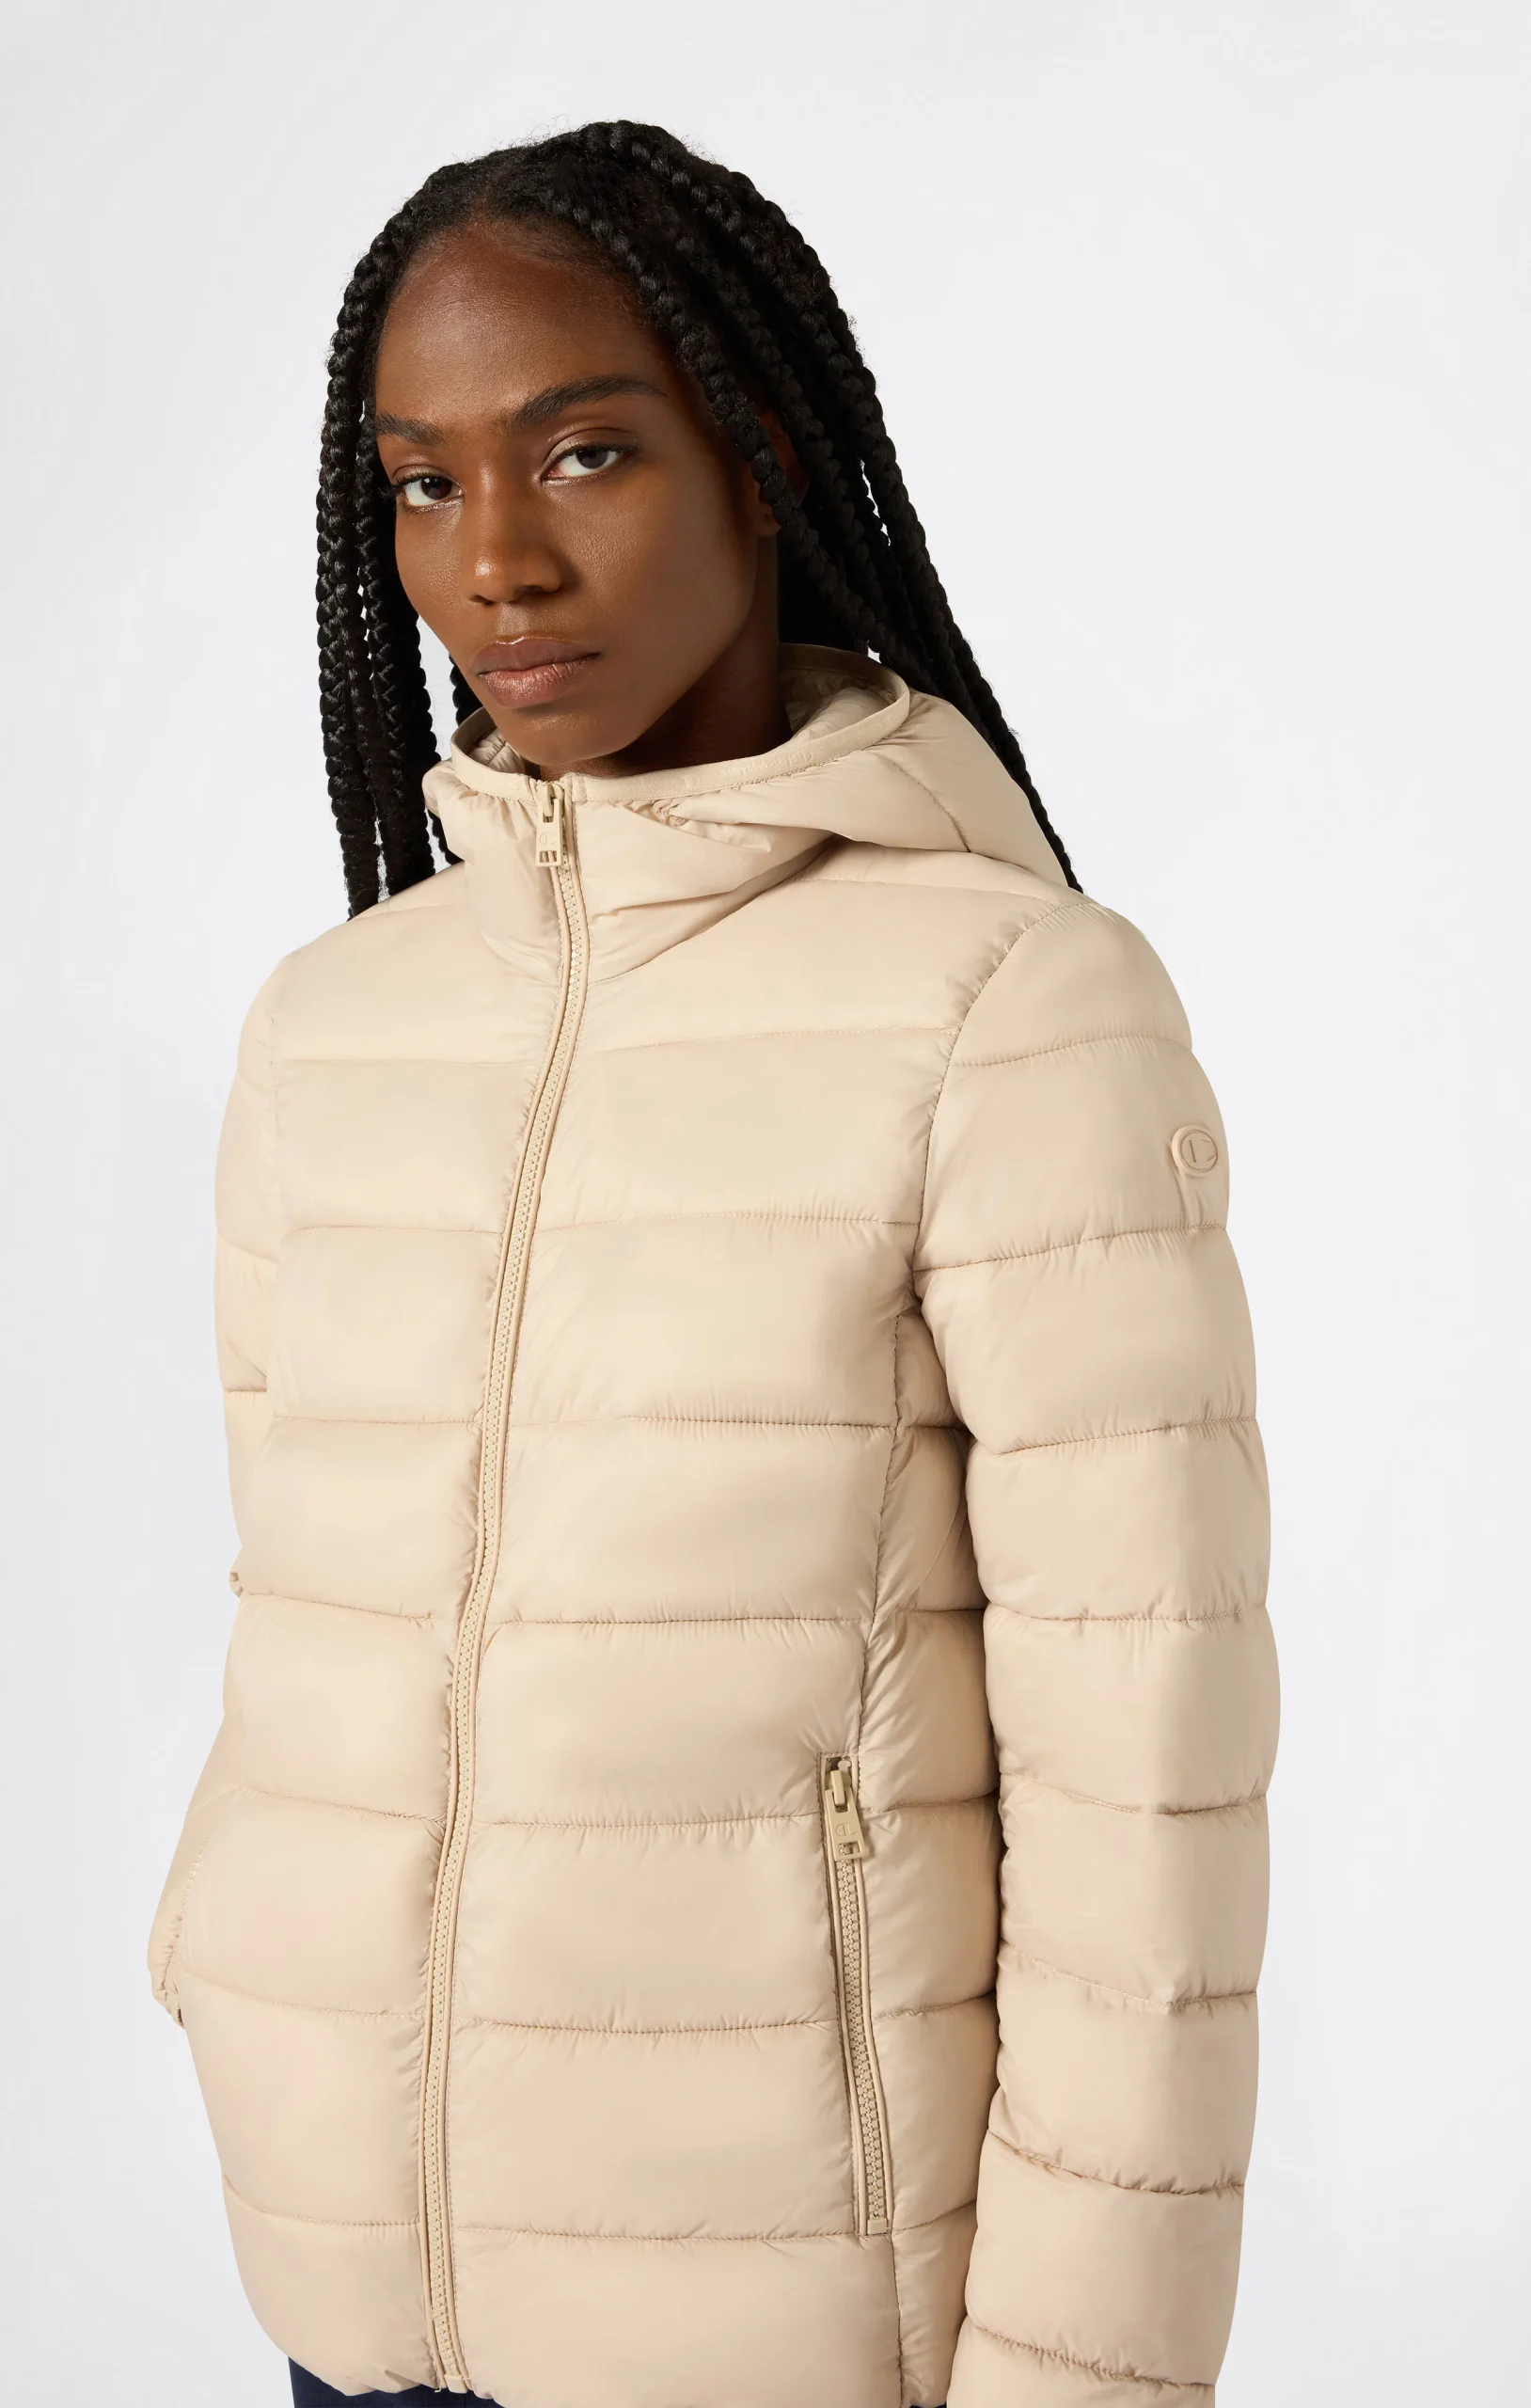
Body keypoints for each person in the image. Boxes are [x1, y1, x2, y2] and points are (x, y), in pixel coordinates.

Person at [148, 121, 1276, 2408]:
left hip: (786, 2317)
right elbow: (301, 1599)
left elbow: (1141, 1779)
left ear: (758, 450)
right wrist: (223, 1951)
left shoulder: (1010, 1002)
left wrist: (1084, 2373)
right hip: (346, 2286)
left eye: (582, 450)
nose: (495, 559)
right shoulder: (334, 1026)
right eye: (423, 482)